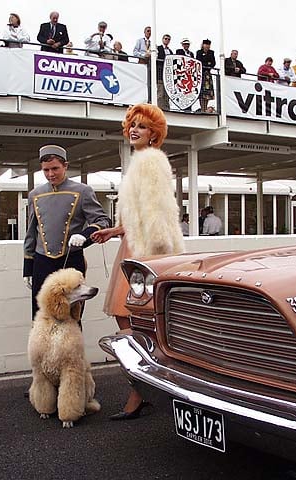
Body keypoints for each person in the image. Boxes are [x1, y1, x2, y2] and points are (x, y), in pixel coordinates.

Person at [90, 104, 184, 420]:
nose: (134, 130)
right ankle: (145, 383)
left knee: (134, 317)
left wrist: (153, 257)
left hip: (145, 251)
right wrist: (115, 230)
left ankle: (143, 386)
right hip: (133, 245)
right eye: (132, 125)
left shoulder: (152, 161)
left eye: (142, 127)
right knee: (129, 317)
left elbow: (157, 212)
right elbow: (138, 213)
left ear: (154, 134)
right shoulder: (140, 161)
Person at [23, 145, 111, 319]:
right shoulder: (35, 194)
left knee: (72, 314)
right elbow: (31, 232)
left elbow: (103, 221)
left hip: (71, 259)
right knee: (41, 315)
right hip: (42, 262)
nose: (50, 174)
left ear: (65, 166)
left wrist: (85, 236)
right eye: (46, 170)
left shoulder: (83, 191)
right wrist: (28, 268)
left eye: (55, 168)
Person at [196, 39, 216, 112]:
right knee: (202, 93)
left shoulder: (211, 52)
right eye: (206, 44)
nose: (207, 46)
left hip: (208, 74)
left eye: (208, 45)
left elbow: (213, 63)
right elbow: (199, 61)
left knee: (207, 93)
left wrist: (207, 64)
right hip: (201, 74)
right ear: (203, 45)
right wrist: (207, 63)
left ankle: (205, 108)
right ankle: (202, 108)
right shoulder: (199, 52)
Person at [156, 34, 173, 110]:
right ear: (162, 39)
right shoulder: (158, 48)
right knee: (160, 91)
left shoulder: (170, 51)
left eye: (168, 39)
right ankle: (159, 107)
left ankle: (166, 108)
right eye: (166, 39)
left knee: (167, 92)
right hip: (160, 73)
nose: (167, 40)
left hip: (167, 75)